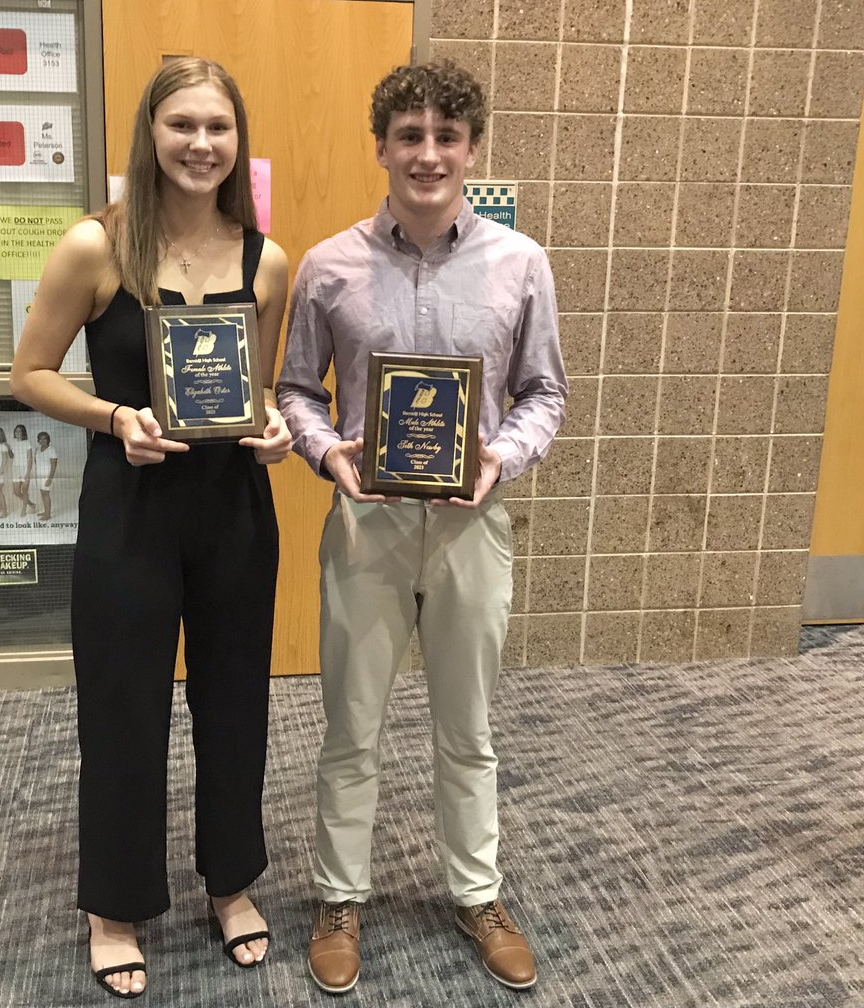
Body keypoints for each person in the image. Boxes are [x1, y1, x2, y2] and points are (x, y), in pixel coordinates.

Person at [276, 61, 567, 995]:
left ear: (471, 150)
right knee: (350, 725)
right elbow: (292, 393)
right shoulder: (328, 266)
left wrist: (500, 460)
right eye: (411, 136)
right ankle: (338, 897)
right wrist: (329, 456)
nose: (429, 154)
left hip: (472, 526)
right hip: (365, 527)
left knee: (467, 727)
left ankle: (477, 893)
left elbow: (543, 394)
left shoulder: (521, 265)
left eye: (447, 136)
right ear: (383, 148)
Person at [11, 57, 290, 999]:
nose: (201, 145)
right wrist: (113, 416)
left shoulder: (267, 259)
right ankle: (116, 902)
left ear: (236, 139)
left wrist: (275, 426)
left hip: (232, 511)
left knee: (234, 703)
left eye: (218, 127)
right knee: (124, 709)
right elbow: (32, 373)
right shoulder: (96, 247)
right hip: (128, 503)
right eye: (183, 126)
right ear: (151, 133)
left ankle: (231, 881)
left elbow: (255, 387)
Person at [11, 423, 36, 517]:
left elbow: (30, 458)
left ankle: (24, 509)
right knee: (16, 492)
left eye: (19, 431)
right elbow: (12, 456)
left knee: (25, 491)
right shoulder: (13, 443)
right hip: (15, 469)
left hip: (25, 469)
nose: (17, 433)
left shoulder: (27, 443)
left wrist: (28, 473)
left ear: (23, 433)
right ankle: (31, 504)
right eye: (16, 431)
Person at [32, 431, 58, 521]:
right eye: (40, 439)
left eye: (44, 438)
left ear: (48, 440)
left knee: (46, 494)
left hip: (47, 475)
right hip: (39, 475)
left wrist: (50, 478)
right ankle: (46, 511)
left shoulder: (51, 450)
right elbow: (36, 461)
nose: (42, 440)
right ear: (38, 440)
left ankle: (48, 514)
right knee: (42, 493)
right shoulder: (37, 449)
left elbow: (54, 466)